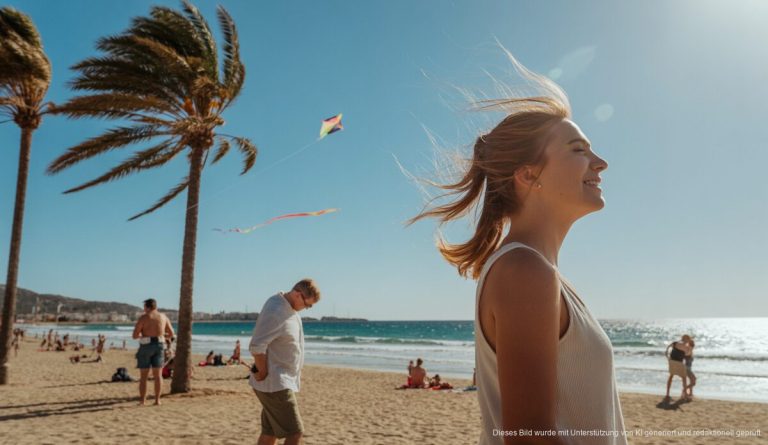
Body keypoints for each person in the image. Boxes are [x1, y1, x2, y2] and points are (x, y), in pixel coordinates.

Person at [410, 53, 625, 444]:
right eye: (579, 150)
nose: (601, 163)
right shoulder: (525, 272)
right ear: (528, 174)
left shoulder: (539, 271)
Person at [249, 278, 321, 445]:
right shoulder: (277, 310)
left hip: (278, 381)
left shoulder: (287, 306)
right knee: (295, 432)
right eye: (307, 305)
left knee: (270, 432)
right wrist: (263, 370)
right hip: (275, 384)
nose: (307, 308)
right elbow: (257, 345)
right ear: (297, 294)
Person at [132, 298, 175, 406]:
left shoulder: (144, 317)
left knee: (144, 376)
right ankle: (157, 400)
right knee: (158, 375)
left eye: (144, 307)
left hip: (146, 346)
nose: (144, 309)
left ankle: (142, 401)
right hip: (159, 345)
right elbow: (171, 333)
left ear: (147, 307)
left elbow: (134, 335)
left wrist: (143, 335)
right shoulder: (163, 317)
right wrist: (162, 335)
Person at [664, 335, 691, 401]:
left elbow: (667, 348)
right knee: (684, 378)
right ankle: (685, 395)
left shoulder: (675, 343)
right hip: (679, 363)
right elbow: (687, 354)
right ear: (687, 340)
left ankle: (667, 394)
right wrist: (689, 348)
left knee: (671, 376)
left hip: (672, 361)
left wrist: (667, 356)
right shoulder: (686, 347)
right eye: (688, 340)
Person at [683, 336, 696, 400]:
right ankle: (684, 391)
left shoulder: (690, 350)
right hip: (686, 368)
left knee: (692, 380)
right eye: (693, 344)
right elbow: (686, 354)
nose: (694, 346)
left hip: (689, 368)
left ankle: (690, 393)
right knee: (694, 381)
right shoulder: (688, 350)